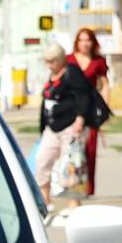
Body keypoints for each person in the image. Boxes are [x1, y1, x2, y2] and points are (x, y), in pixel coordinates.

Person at [35, 42, 91, 214]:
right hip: (52, 128)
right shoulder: (52, 75)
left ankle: (75, 202)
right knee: (42, 160)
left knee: (72, 165)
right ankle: (46, 199)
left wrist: (80, 120)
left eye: (52, 62)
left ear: (60, 60)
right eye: (47, 62)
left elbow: (83, 96)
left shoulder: (71, 72)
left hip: (71, 127)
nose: (49, 65)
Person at [68, 28, 110, 197]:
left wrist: (105, 109)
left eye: (88, 40)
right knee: (71, 148)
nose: (85, 44)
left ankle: (88, 188)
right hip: (71, 108)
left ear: (93, 42)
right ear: (77, 42)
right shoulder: (69, 60)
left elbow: (105, 85)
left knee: (90, 149)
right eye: (82, 40)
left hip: (91, 110)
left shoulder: (98, 61)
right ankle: (71, 185)